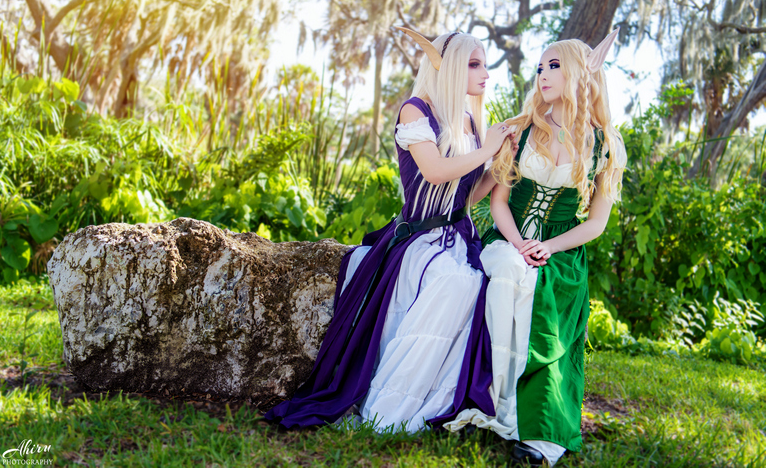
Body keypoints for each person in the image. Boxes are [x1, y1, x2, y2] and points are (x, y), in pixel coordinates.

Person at [265, 28, 516, 432]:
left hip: (458, 237)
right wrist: (486, 150)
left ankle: (446, 400)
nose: (485, 73)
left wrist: (501, 162)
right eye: (474, 64)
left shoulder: (468, 120)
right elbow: (434, 173)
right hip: (418, 239)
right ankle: (389, 409)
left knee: (476, 282)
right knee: (454, 283)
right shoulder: (415, 111)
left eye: (484, 64)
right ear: (449, 68)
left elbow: (468, 197)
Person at [444, 30, 628, 466]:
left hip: (561, 252)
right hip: (507, 238)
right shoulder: (523, 129)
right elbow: (499, 202)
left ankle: (538, 432)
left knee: (537, 292)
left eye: (554, 66)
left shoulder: (606, 145)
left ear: (581, 74)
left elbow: (596, 222)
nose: (543, 75)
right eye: (540, 67)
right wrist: (519, 241)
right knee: (509, 269)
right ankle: (493, 406)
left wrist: (548, 246)